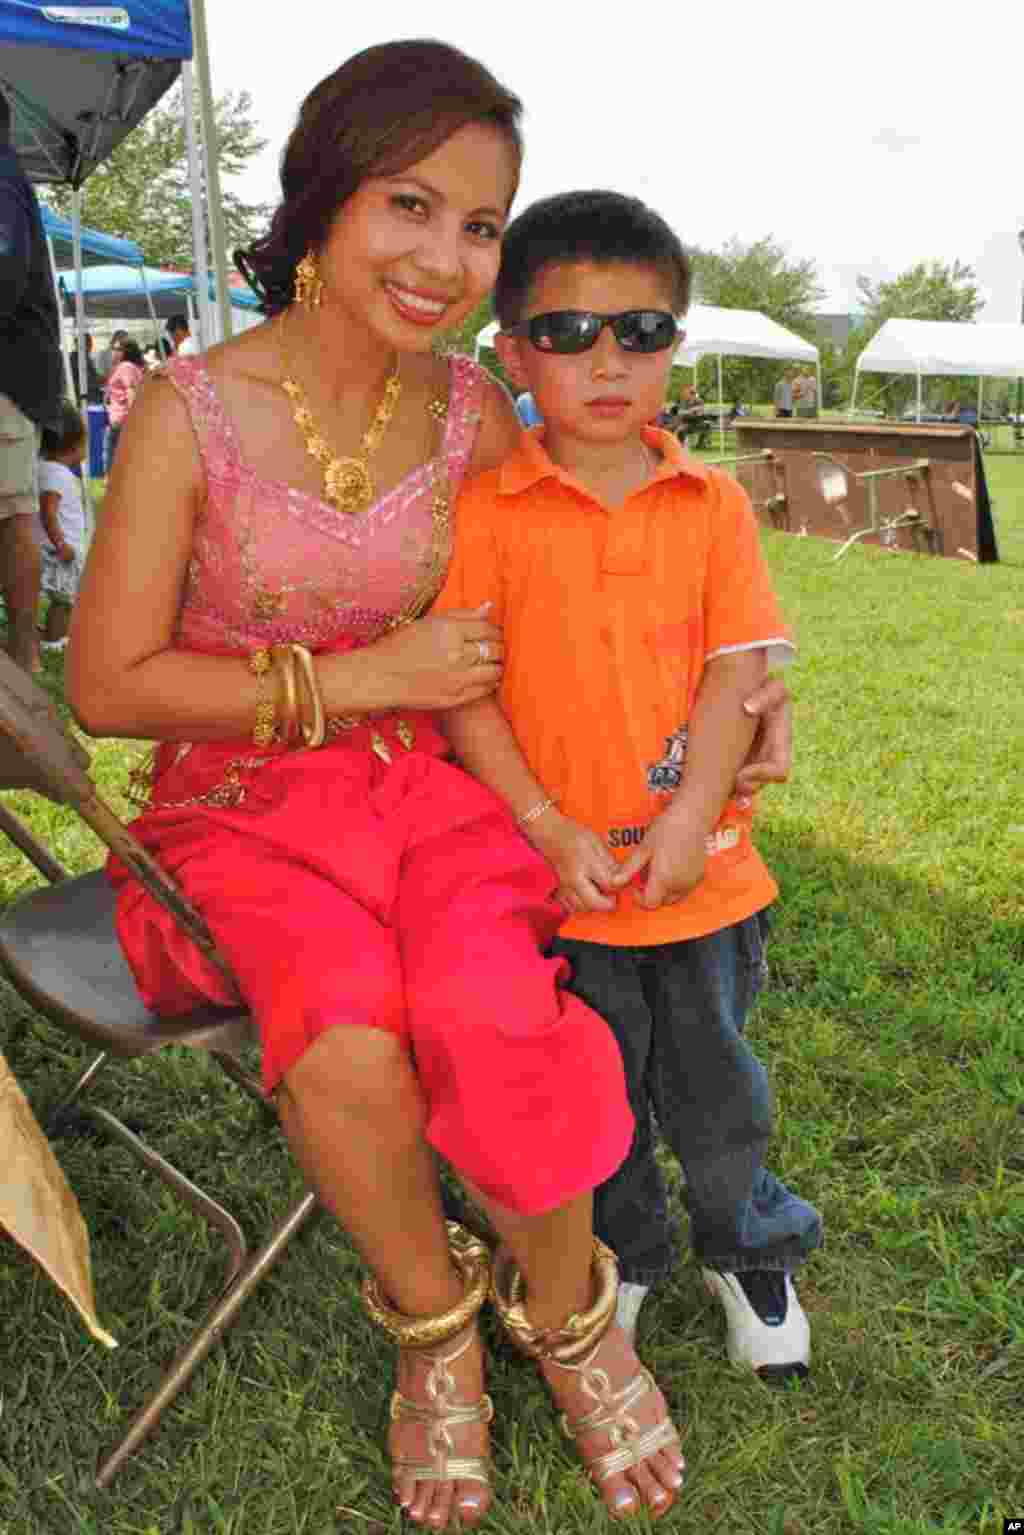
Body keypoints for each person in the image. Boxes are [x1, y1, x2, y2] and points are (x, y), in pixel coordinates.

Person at [67, 43, 789, 1530]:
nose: (448, 259)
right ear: (324, 196)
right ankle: (433, 1324)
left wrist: (738, 698)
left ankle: (571, 1312)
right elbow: (108, 683)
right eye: (412, 204)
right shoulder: (184, 414)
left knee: (494, 1007)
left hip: (437, 792)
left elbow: (588, 567)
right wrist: (356, 682)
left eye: (478, 226)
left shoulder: (472, 414)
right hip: (242, 809)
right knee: (344, 1041)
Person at [435, 189, 821, 1380]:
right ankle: (627, 1253)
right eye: (567, 332)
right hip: (562, 883)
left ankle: (744, 1239)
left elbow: (734, 673)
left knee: (714, 1084)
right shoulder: (487, 510)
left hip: (701, 879)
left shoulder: (710, 504)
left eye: (641, 332)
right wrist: (547, 829)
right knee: (591, 1091)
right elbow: (463, 689)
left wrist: (691, 817)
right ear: (512, 353)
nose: (606, 361)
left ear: (673, 348)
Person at [0, 88, 64, 673]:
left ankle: (21, 650)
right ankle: (20, 649)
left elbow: (2, 276)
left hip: (7, 373)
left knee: (15, 508)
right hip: (18, 371)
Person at [37, 399, 87, 650]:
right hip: (60, 552)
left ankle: (53, 634)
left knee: (63, 598)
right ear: (73, 444)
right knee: (63, 599)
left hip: (57, 548)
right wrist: (61, 543)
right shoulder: (57, 473)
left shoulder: (42, 468)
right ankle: (54, 641)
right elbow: (48, 511)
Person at [102, 337, 145, 475]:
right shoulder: (134, 367)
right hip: (123, 418)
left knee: (112, 457)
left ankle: (111, 484)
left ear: (125, 351)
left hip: (121, 418)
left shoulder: (125, 367)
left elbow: (130, 390)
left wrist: (133, 415)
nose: (113, 352)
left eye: (116, 349)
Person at [68, 332, 102, 405]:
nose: (91, 346)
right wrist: (100, 380)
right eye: (89, 343)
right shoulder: (77, 357)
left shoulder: (83, 356)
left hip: (87, 392)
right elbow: (86, 379)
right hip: (83, 395)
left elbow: (92, 375)